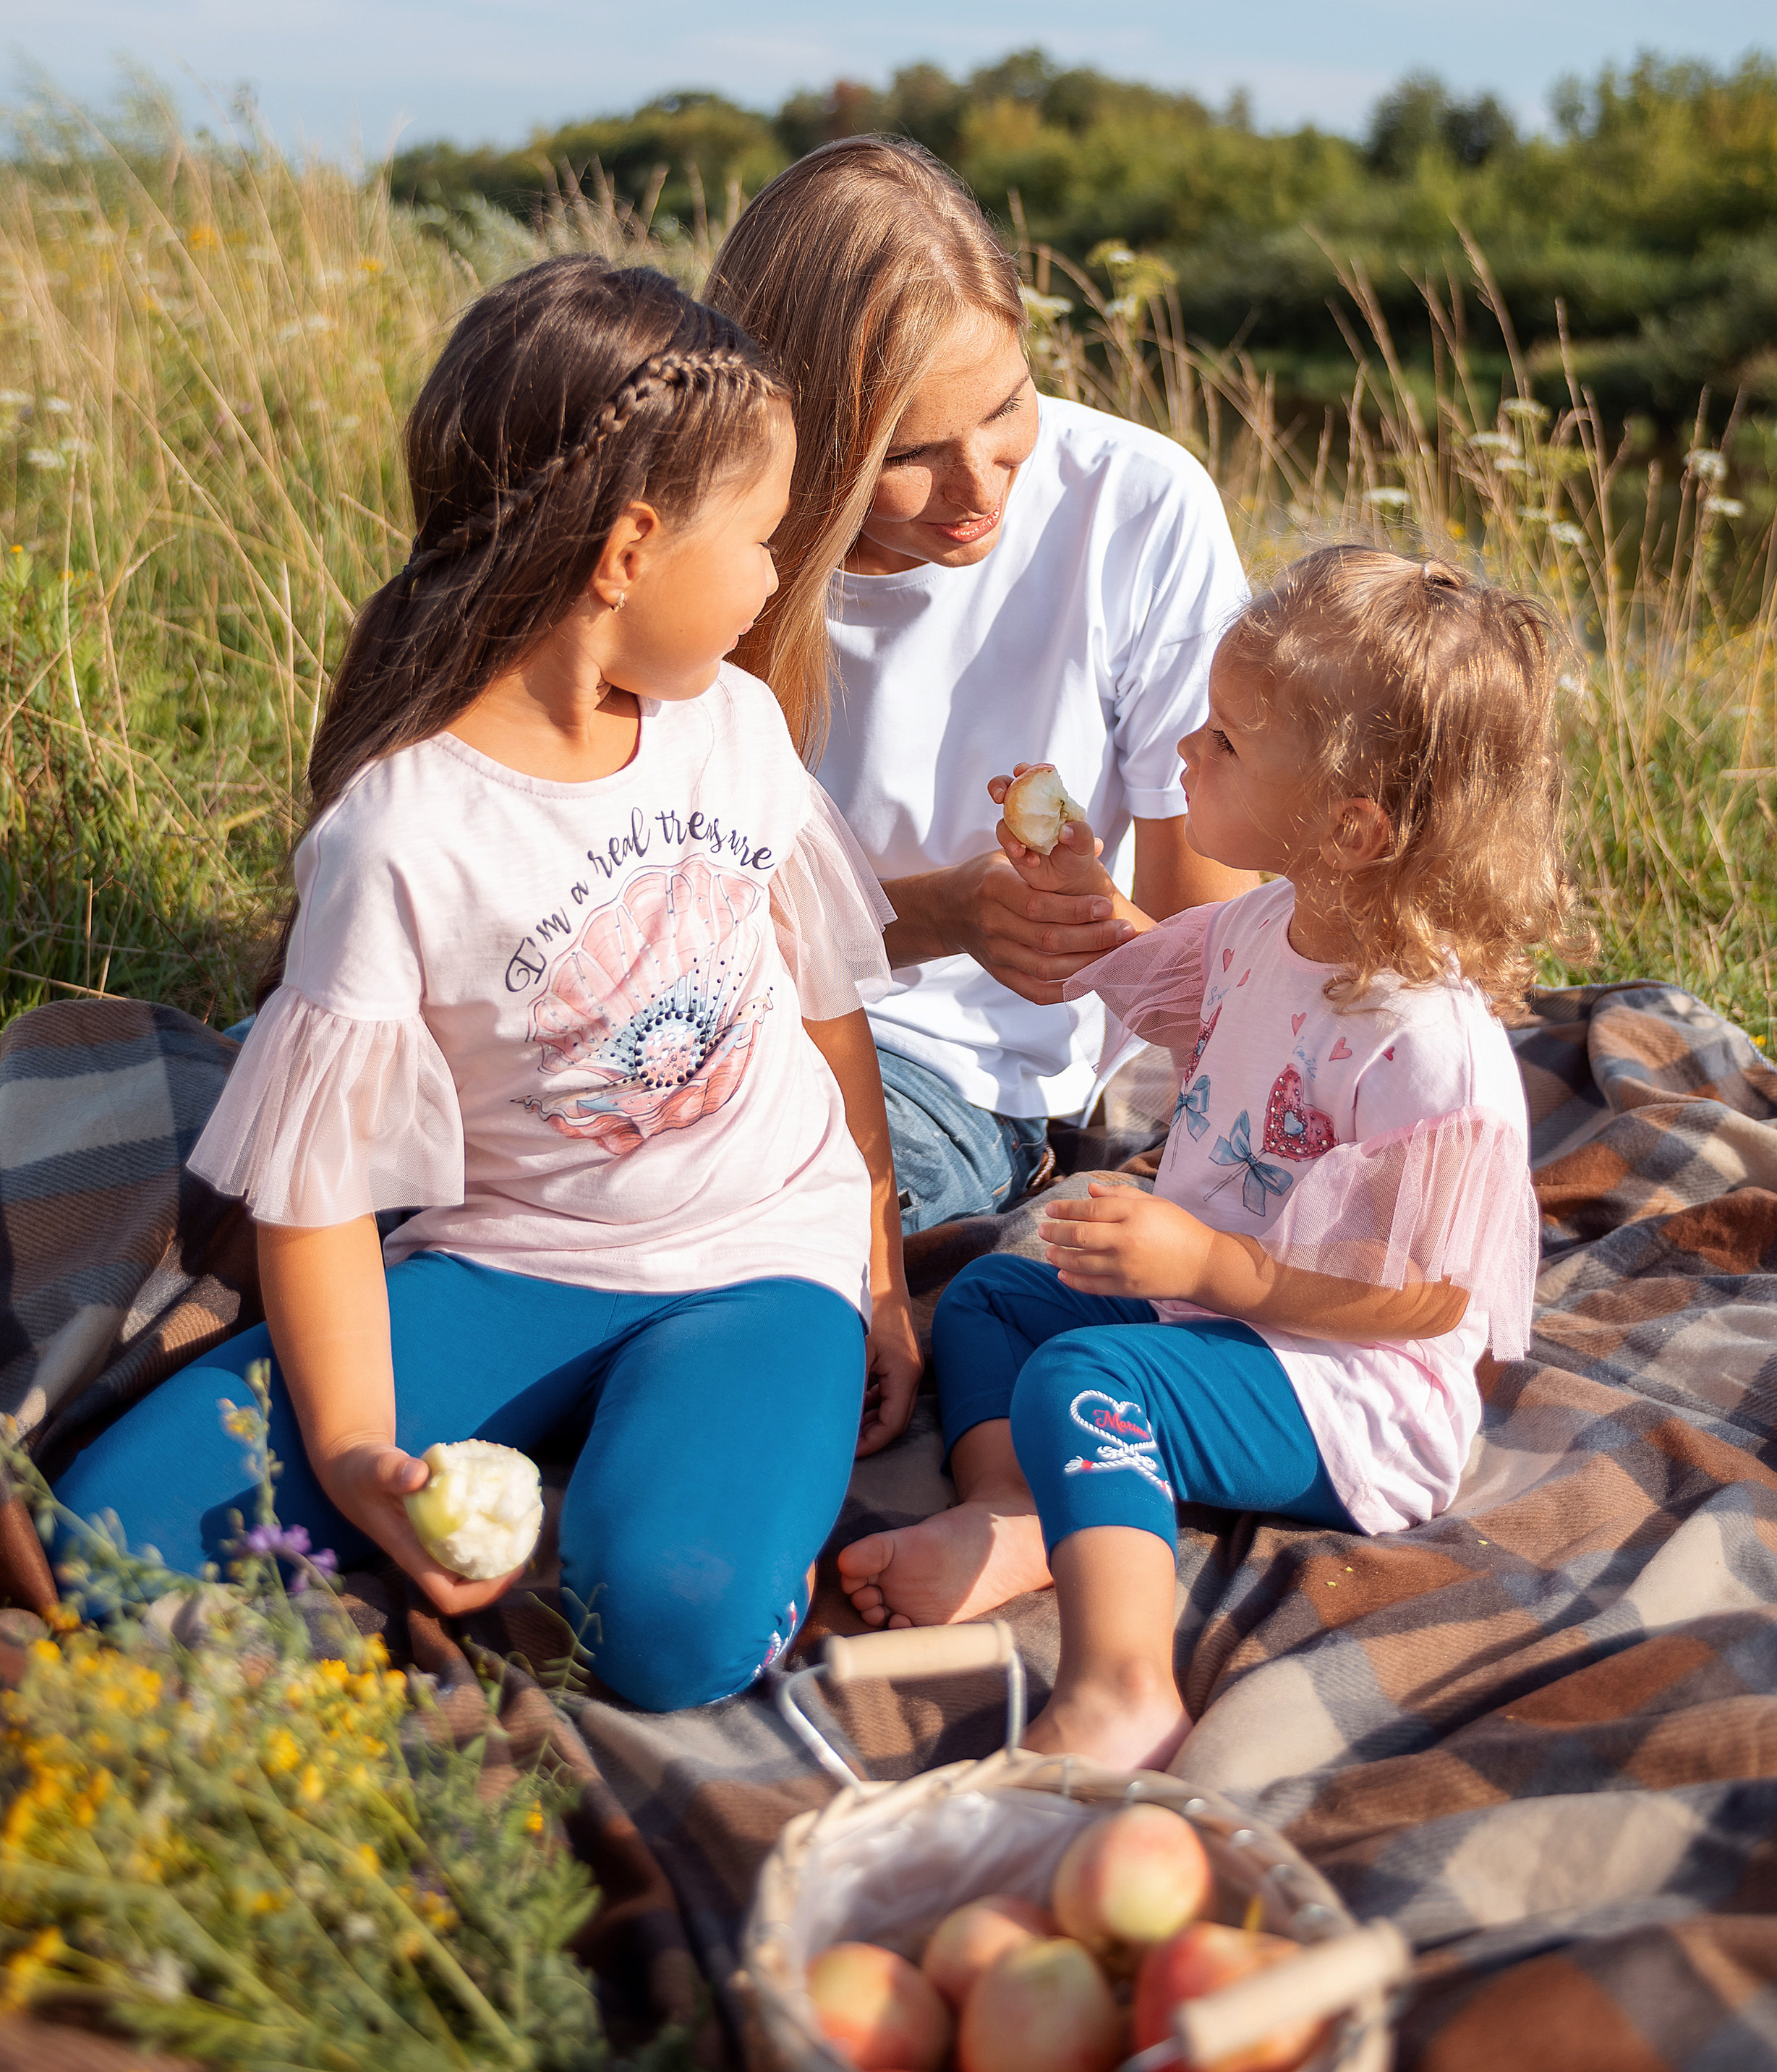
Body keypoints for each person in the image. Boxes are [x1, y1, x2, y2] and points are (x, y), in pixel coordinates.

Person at [54, 260, 921, 1711]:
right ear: (632, 550)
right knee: (113, 1543)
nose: (781, 576)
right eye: (762, 539)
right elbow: (318, 1195)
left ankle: (674, 1462)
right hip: (505, 1259)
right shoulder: (404, 830)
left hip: (761, 1258)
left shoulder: (736, 727)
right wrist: (353, 1456)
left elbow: (819, 996)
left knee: (668, 1628)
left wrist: (880, 1259)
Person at [838, 548, 1590, 1767]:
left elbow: (1430, 1302)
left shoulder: (1425, 1045)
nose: (1186, 751)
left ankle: (1125, 1683)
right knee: (993, 1298)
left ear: (1353, 821)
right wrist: (1080, 891)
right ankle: (1021, 1516)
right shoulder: (1265, 926)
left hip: (1348, 1386)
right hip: (1212, 1310)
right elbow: (1163, 979)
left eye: (1230, 742)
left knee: (1090, 1374)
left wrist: (1210, 1260)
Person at [707, 140, 1253, 1234]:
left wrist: (1085, 930)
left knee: (732, 1222)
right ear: (799, 439)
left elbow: (1215, 962)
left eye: (1007, 406)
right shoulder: (710, 559)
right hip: (697, 1018)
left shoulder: (1135, 509)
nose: (977, 489)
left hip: (946, 1078)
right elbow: (657, 915)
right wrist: (943, 911)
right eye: (908, 453)